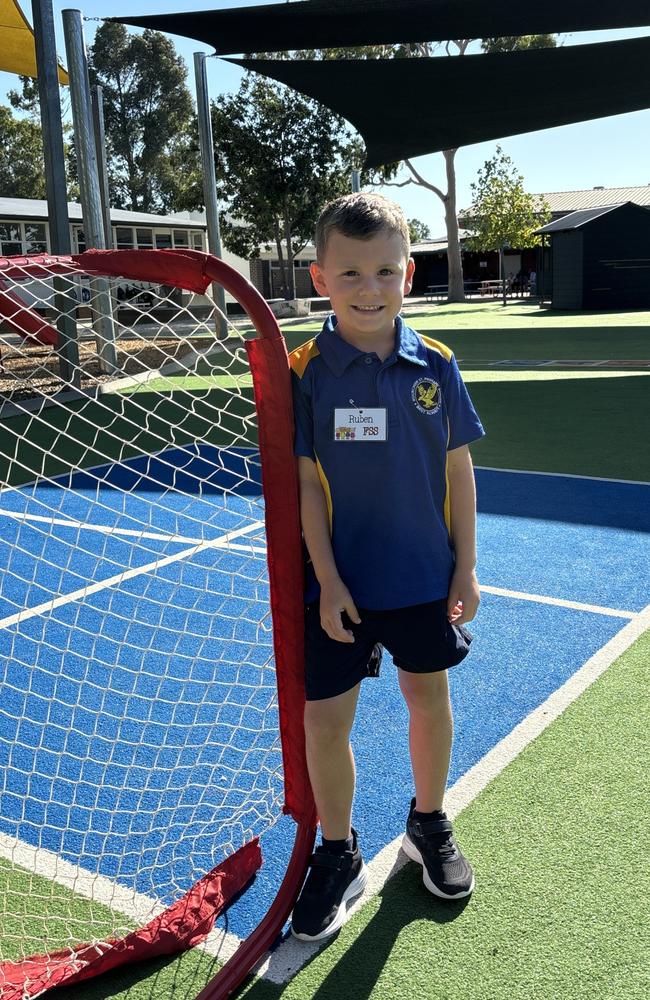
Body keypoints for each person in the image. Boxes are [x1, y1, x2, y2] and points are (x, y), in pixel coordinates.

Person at [289, 193, 485, 942]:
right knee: (325, 721)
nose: (369, 289)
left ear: (409, 274)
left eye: (385, 272)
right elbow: (307, 483)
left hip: (421, 580)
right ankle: (337, 852)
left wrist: (465, 567)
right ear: (320, 277)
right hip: (336, 586)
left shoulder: (436, 363)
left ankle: (427, 822)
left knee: (425, 700)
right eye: (351, 274)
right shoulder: (305, 371)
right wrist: (330, 580)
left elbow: (459, 470)